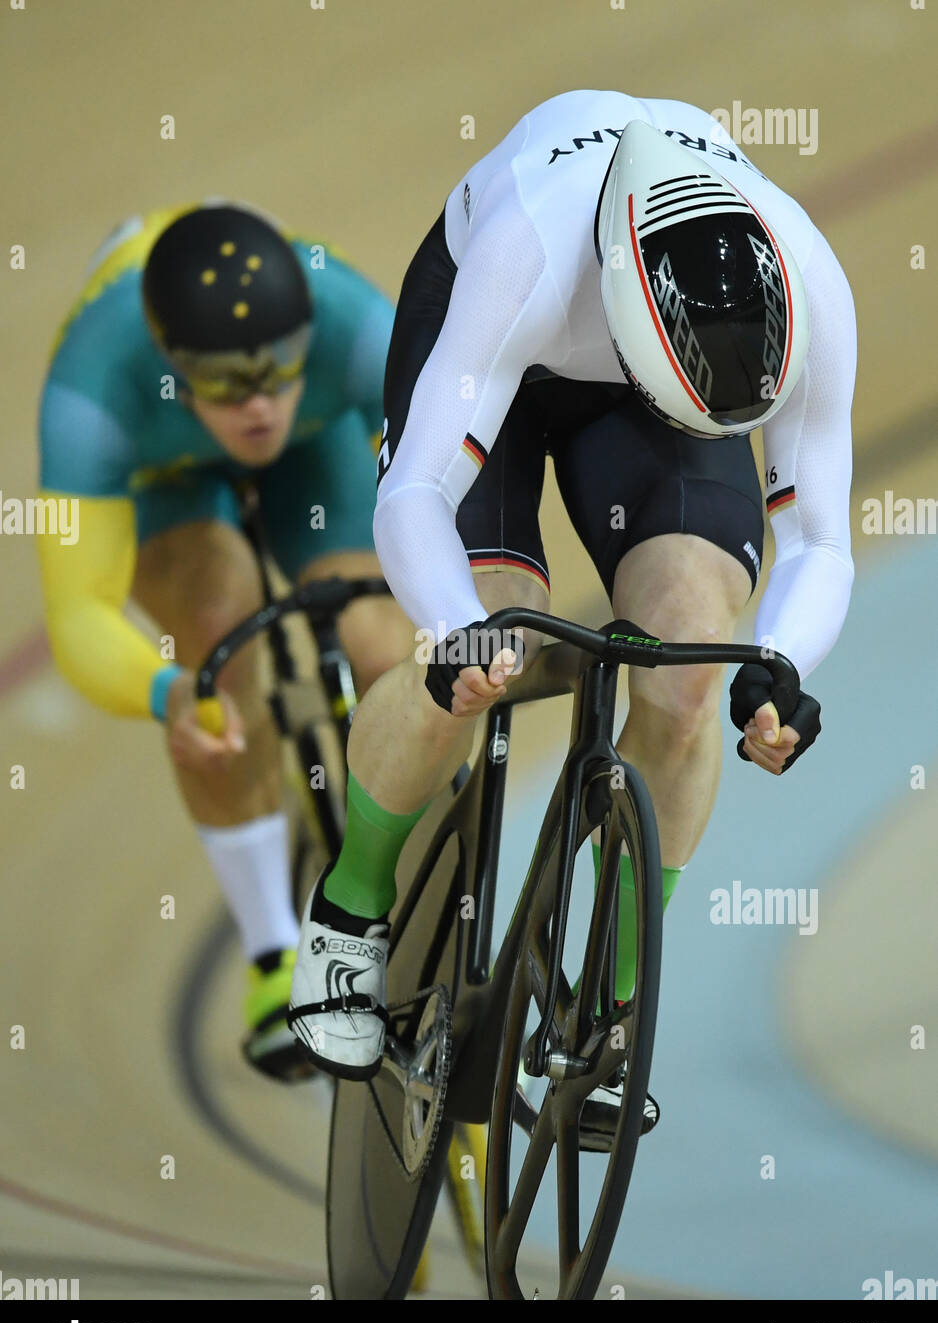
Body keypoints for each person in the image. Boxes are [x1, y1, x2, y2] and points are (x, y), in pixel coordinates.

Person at [286, 93, 857, 1124]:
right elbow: (412, 493)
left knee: (687, 666)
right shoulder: (524, 256)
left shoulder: (808, 278)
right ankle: (349, 907)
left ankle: (610, 1008)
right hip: (506, 330)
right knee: (489, 624)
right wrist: (455, 626)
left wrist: (773, 665)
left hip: (661, 377)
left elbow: (818, 540)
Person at [36, 202, 413, 1079]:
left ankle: (417, 873)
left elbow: (440, 486)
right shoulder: (92, 384)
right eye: (224, 381)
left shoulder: (359, 325)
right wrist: (170, 695)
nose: (257, 403)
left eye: (280, 370)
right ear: (170, 363)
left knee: (388, 648)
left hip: (320, 456)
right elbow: (79, 615)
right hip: (166, 481)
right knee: (215, 642)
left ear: (308, 337)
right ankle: (275, 953)